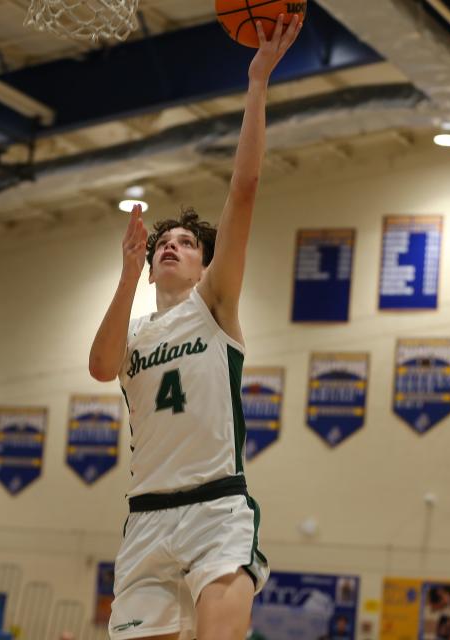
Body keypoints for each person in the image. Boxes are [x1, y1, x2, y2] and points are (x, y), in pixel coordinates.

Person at [88, 13, 302, 640]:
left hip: (216, 506)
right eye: (163, 243)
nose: (172, 247)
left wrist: (257, 83)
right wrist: (127, 275)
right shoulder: (133, 335)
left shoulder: (215, 306)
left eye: (186, 242)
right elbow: (100, 368)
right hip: (146, 517)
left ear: (207, 263)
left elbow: (244, 190)